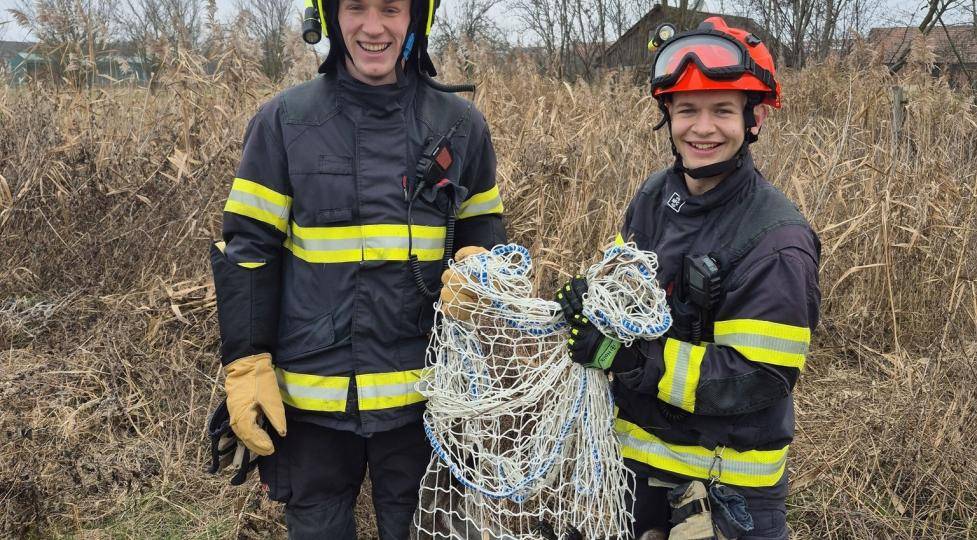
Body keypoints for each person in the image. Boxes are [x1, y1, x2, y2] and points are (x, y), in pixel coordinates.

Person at [208, 0, 505, 536]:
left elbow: (485, 230)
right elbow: (249, 250)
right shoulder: (284, 121)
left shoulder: (459, 126)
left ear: (417, 17)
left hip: (426, 402)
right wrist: (247, 362)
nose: (373, 27)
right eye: (356, 7)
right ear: (329, 15)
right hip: (312, 401)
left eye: (391, 9)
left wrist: (478, 267)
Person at [555, 17, 819, 539]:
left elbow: (757, 378)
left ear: (755, 119)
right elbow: (624, 289)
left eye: (722, 110)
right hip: (636, 473)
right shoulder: (654, 197)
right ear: (667, 118)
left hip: (727, 491)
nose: (702, 128)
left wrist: (629, 359)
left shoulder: (777, 240)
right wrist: (592, 302)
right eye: (686, 110)